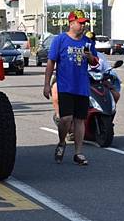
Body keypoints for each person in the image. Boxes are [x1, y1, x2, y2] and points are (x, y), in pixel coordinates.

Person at [43, 9, 98, 166]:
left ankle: (78, 153)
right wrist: (47, 84)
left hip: (82, 86)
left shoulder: (87, 42)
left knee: (80, 120)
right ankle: (62, 142)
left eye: (84, 23)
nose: (83, 26)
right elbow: (50, 63)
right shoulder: (60, 40)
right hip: (65, 86)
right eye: (80, 23)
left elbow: (95, 62)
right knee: (66, 119)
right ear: (71, 23)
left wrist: (90, 57)